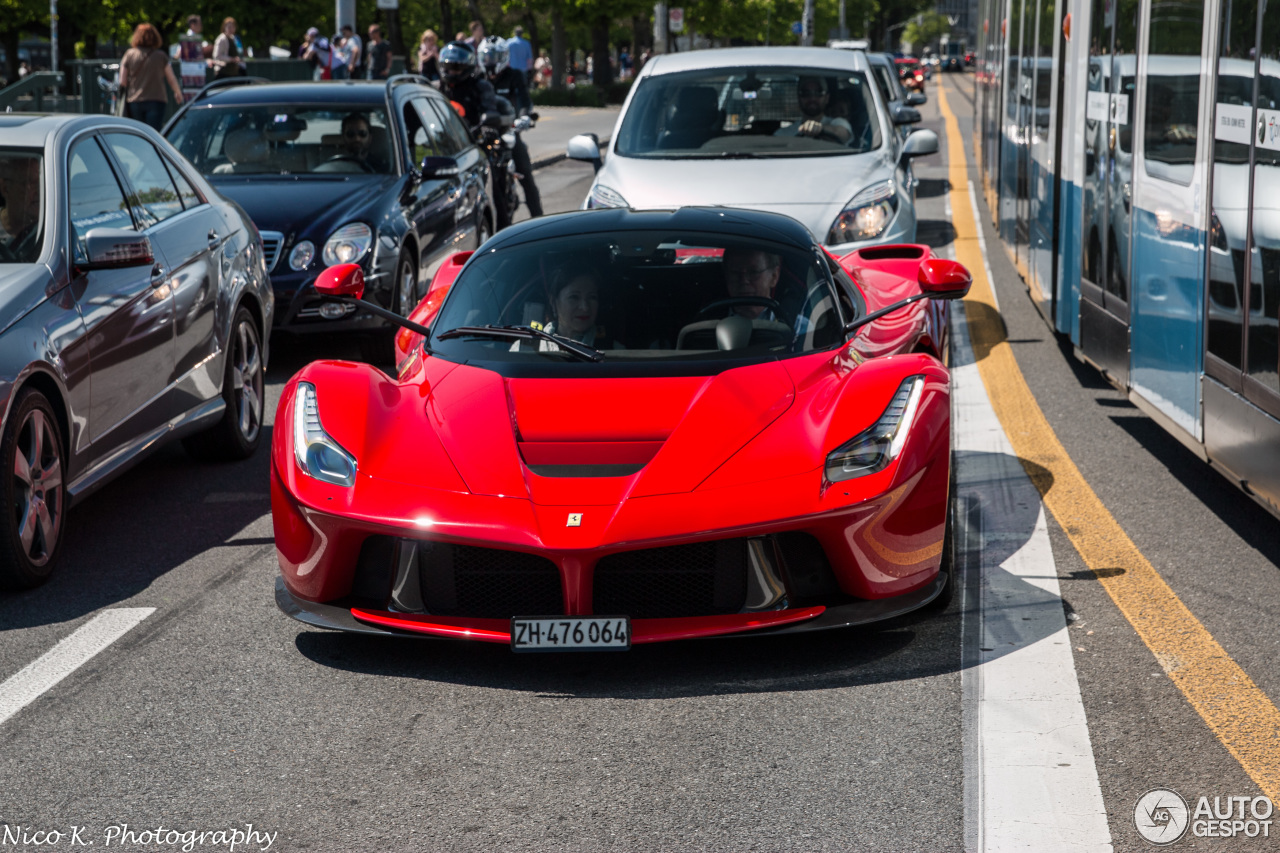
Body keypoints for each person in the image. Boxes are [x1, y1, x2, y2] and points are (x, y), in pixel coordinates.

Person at [479, 36, 542, 216]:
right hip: (485, 135)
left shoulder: (515, 76)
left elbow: (524, 101)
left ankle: (539, 220)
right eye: (486, 57)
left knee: (526, 176)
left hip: (510, 132)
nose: (490, 62)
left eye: (494, 57)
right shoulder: (479, 79)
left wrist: (524, 117)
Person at [120, 23, 184, 130]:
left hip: (135, 100)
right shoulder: (161, 56)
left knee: (138, 134)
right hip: (156, 100)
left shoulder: (129, 54)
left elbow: (122, 81)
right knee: (153, 134)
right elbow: (171, 78)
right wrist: (178, 93)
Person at [776, 76, 852, 144]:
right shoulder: (784, 134)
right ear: (799, 98)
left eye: (818, 92)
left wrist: (821, 129)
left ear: (827, 98)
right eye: (806, 93)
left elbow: (844, 134)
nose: (812, 98)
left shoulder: (838, 123)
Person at [0, 155, 43, 263]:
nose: (40, 191)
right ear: (5, 188)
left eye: (42, 183)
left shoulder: (54, 231)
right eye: (31, 183)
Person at [722, 248, 782, 320]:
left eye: (753, 272)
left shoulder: (792, 321)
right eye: (735, 272)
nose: (744, 280)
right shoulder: (708, 318)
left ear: (774, 276)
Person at [505, 26, 532, 110]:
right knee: (523, 92)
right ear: (522, 34)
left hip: (511, 70)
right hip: (523, 71)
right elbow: (530, 59)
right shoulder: (526, 43)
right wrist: (530, 71)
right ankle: (524, 108)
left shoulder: (509, 43)